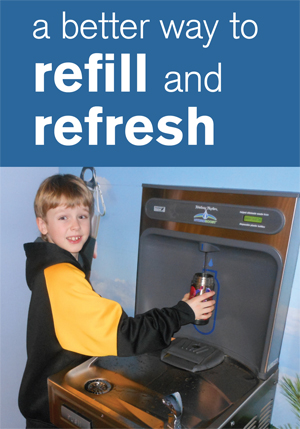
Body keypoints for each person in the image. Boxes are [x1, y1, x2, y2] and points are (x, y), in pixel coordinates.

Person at [19, 174, 216, 429]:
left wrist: (85, 250)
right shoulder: (62, 279)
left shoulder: (47, 264)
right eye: (63, 217)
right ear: (43, 225)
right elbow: (124, 333)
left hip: (45, 391)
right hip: (51, 409)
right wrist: (182, 313)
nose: (76, 227)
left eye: (82, 216)